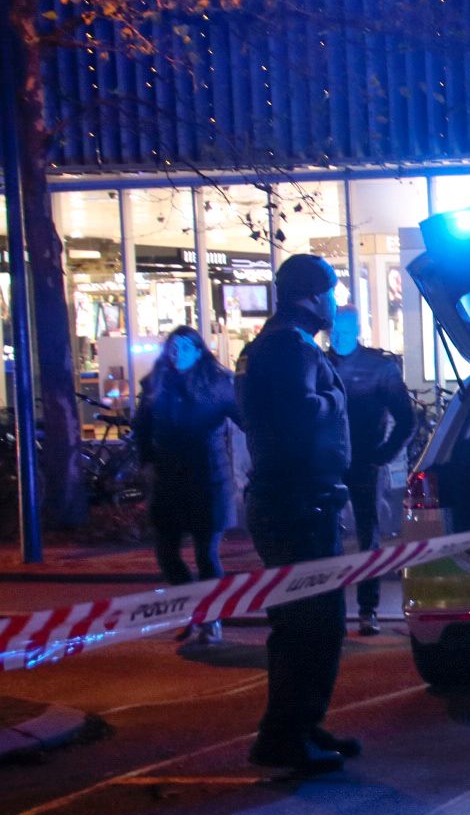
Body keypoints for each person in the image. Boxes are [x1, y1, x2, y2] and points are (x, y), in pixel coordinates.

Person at [236, 255, 356, 774]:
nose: (334, 303)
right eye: (330, 292)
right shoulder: (290, 347)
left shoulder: (274, 344)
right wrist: (334, 399)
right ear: (311, 295)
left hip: (290, 499)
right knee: (311, 624)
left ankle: (301, 724)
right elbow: (300, 417)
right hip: (297, 502)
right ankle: (285, 736)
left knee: (307, 622)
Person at [133, 326, 243, 650]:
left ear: (198, 351)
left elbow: (245, 419)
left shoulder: (218, 384)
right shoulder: (156, 384)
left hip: (207, 479)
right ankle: (190, 609)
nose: (176, 353)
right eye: (173, 346)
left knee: (206, 554)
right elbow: (142, 427)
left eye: (184, 347)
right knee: (166, 553)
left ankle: (211, 618)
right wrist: (147, 461)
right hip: (169, 480)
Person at [327, 306, 416, 635]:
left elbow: (406, 419)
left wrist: (383, 455)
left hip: (363, 460)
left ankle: (367, 609)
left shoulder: (377, 367)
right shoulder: (322, 364)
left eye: (344, 332)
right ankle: (335, 608)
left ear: (357, 331)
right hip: (330, 461)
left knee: (367, 535)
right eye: (334, 332)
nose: (338, 338)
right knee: (330, 536)